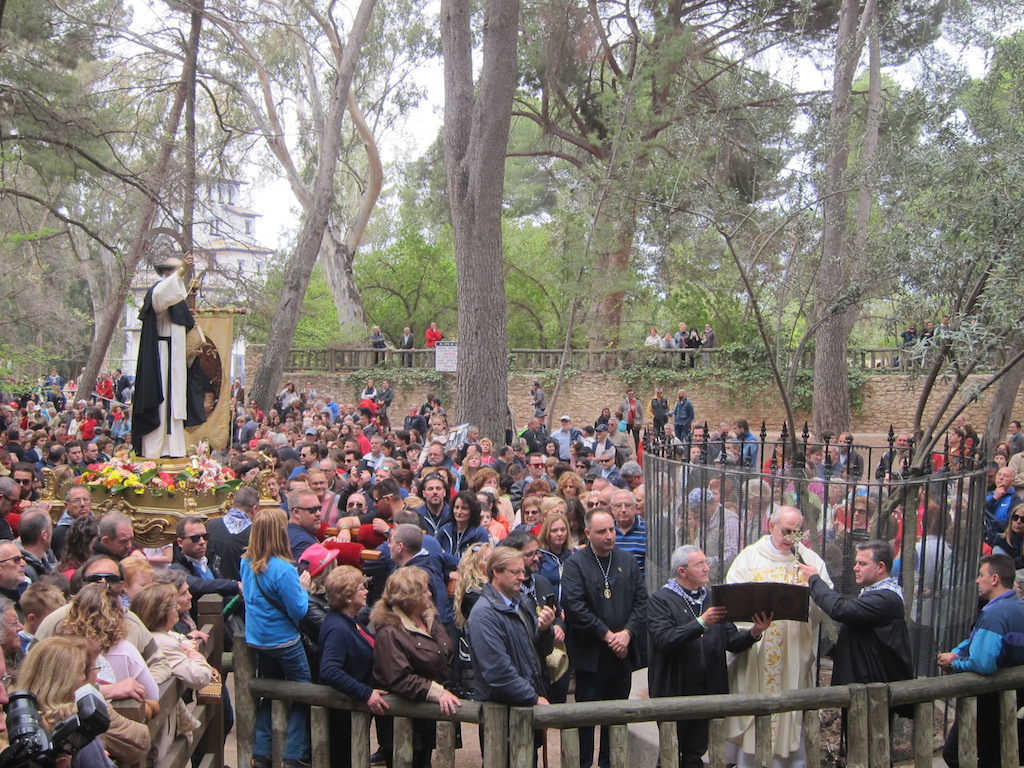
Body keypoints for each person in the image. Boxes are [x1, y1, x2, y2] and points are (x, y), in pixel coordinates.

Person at [725, 506, 831, 768]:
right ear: (770, 526)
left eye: (797, 532)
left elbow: (827, 601)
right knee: (755, 706)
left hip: (793, 649)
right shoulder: (749, 558)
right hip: (758, 652)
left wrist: (811, 587)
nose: (791, 538)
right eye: (786, 531)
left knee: (790, 710)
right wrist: (753, 622)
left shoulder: (809, 560)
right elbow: (733, 599)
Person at [649, 546, 770, 768]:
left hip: (709, 689)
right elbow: (664, 639)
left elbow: (731, 641)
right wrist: (701, 622)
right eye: (700, 564)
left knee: (696, 752)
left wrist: (755, 632)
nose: (707, 568)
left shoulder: (714, 599)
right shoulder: (661, 600)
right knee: (671, 751)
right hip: (675, 689)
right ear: (682, 571)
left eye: (706, 563)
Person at [561, 508, 646, 768]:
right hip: (591, 655)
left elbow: (641, 602)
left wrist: (627, 634)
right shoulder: (576, 564)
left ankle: (611, 763)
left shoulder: (627, 561)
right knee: (586, 718)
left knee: (617, 717)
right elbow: (575, 606)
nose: (609, 536)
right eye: (602, 532)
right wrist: (608, 635)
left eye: (611, 530)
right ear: (588, 533)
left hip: (622, 655)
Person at [241, 508, 312, 768]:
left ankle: (261, 752)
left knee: (269, 691)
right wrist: (303, 588)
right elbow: (299, 610)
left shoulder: (245, 561)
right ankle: (294, 754)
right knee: (303, 691)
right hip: (284, 640)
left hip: (257, 637)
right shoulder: (283, 569)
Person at [938, 554, 1024, 767]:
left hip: (989, 698)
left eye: (980, 575)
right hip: (1012, 697)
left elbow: (984, 663)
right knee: (995, 755)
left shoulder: (994, 614)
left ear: (994, 579)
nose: (977, 580)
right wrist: (957, 652)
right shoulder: (1017, 606)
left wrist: (954, 663)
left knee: (955, 753)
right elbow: (976, 641)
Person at [371, 567, 460, 768]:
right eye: (424, 590)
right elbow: (398, 677)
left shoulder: (429, 618)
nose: (429, 593)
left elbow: (445, 652)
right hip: (402, 721)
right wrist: (435, 691)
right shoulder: (389, 631)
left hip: (426, 717)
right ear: (408, 597)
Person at [798, 539, 912, 694]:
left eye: (862, 564)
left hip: (874, 693)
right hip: (866, 687)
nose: (855, 568)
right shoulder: (875, 593)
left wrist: (814, 580)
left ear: (880, 567)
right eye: (856, 563)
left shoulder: (886, 599)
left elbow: (841, 609)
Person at [132, 253, 207, 457]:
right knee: (162, 403)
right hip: (161, 356)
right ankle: (156, 449)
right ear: (168, 274)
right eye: (177, 271)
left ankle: (174, 448)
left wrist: (190, 355)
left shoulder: (178, 303)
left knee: (175, 406)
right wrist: (182, 270)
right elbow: (162, 295)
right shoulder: (157, 292)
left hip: (176, 360)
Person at [319, 565, 390, 768]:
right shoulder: (337, 628)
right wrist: (366, 693)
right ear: (348, 596)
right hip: (342, 717)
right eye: (361, 588)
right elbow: (329, 670)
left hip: (353, 714)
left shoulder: (351, 621)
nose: (366, 591)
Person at [466, 545, 553, 709]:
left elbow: (543, 652)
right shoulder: (483, 615)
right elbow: (497, 673)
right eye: (515, 572)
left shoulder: (523, 603)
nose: (522, 577)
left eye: (523, 572)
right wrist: (533, 698)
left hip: (528, 703)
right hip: (500, 711)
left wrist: (545, 630)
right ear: (496, 572)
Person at [15, 636, 115, 768]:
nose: (95, 675)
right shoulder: (78, 728)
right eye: (92, 669)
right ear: (72, 680)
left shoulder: (16, 721)